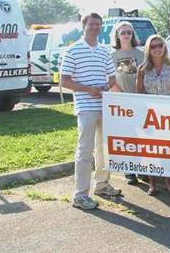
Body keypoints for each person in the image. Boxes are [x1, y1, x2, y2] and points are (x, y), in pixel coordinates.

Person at [61, 13, 121, 210]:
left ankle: (102, 184)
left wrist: (105, 86)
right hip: (86, 107)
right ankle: (80, 194)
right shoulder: (72, 50)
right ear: (84, 25)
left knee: (105, 148)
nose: (95, 27)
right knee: (85, 150)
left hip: (104, 106)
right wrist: (89, 90)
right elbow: (65, 81)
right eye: (91, 24)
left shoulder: (104, 51)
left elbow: (112, 78)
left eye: (98, 24)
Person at [136, 34, 170, 196]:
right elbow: (139, 92)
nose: (157, 49)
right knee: (151, 149)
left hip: (168, 113)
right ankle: (152, 184)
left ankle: (169, 182)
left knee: (168, 149)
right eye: (153, 46)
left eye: (160, 45)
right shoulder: (142, 68)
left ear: (164, 47)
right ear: (148, 49)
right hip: (150, 113)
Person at [110, 21, 145, 185]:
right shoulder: (112, 55)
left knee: (140, 136)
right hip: (121, 100)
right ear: (117, 35)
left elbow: (146, 74)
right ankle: (129, 170)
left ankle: (142, 168)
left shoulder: (141, 53)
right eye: (123, 32)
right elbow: (109, 79)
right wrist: (121, 96)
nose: (126, 35)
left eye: (129, 32)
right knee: (126, 136)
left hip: (139, 99)